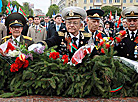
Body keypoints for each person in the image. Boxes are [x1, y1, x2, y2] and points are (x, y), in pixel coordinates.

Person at [28, 6, 93, 58]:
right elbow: (50, 41)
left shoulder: (86, 36)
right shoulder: (60, 35)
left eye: (75, 23)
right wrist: (40, 44)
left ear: (81, 25)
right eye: (69, 23)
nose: (71, 25)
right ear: (65, 24)